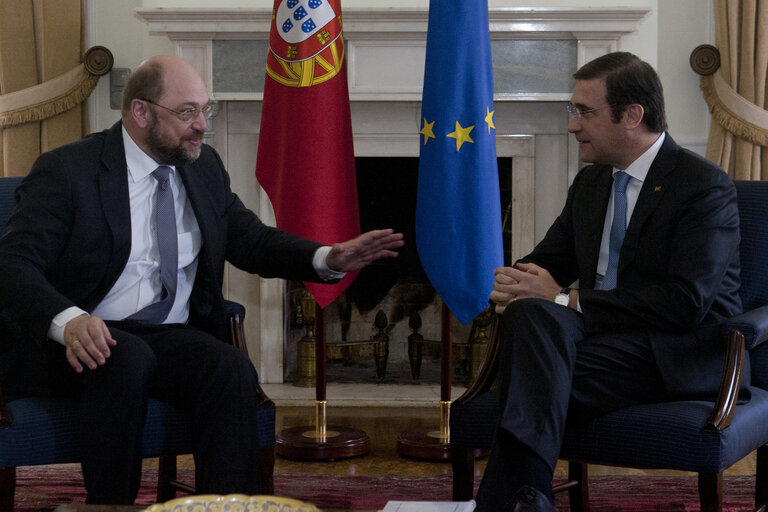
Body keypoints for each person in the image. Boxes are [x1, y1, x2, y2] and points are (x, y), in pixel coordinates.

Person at [0, 55, 404, 505]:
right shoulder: (69, 171)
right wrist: (69, 321)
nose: (201, 126)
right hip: (78, 340)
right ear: (141, 112)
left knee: (229, 367)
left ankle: (229, 504)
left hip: (165, 336)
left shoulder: (202, 166)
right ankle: (109, 505)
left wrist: (328, 256)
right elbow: (12, 263)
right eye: (188, 112)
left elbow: (250, 239)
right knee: (126, 357)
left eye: (205, 111)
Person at [476, 52, 742, 511]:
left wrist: (564, 297)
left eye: (584, 112)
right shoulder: (593, 183)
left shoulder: (703, 187)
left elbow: (685, 303)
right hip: (599, 340)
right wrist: (514, 282)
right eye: (571, 111)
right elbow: (547, 261)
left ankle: (516, 500)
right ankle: (528, 499)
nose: (572, 125)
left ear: (632, 115)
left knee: (532, 373)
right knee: (530, 314)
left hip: (675, 347)